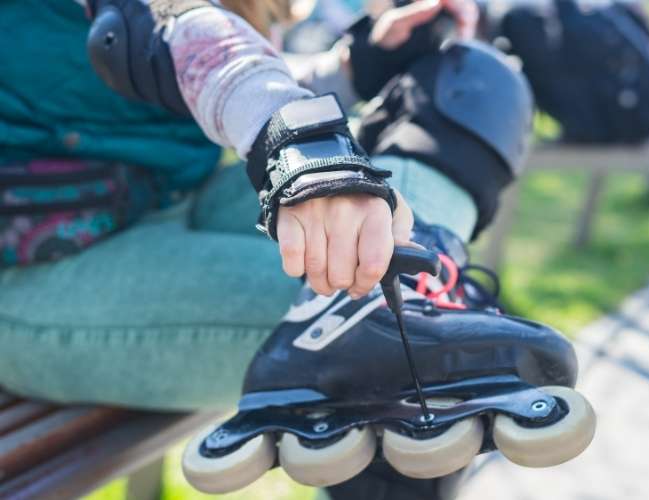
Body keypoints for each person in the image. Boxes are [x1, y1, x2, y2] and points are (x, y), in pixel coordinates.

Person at [0, 1, 553, 499]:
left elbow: (208, 78)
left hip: (172, 202)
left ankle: (406, 294)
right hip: (38, 272)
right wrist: (304, 153)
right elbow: (169, 29)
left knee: (473, 84)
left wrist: (356, 67)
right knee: (391, 357)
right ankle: (382, 325)